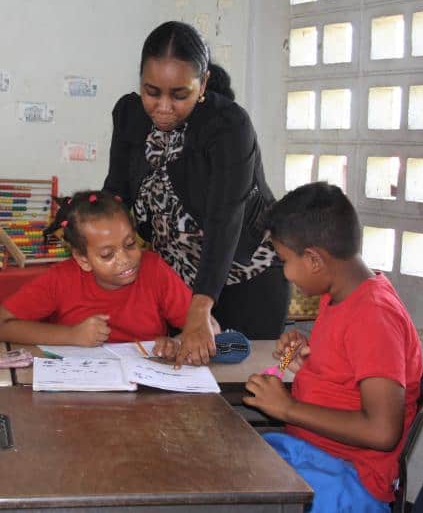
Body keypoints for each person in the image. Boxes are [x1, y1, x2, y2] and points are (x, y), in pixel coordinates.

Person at [103, 20, 288, 367]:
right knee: (181, 379)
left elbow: (225, 218)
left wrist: (201, 306)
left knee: (239, 384)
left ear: (202, 84)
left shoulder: (227, 127)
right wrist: (91, 223)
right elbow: (117, 193)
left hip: (245, 276)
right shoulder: (129, 115)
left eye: (179, 94)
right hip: (180, 283)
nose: (163, 107)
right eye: (152, 91)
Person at [243, 182, 423, 512]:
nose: (285, 272)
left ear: (314, 259)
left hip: (348, 477)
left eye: (284, 260)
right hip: (310, 451)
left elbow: (383, 430)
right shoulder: (340, 295)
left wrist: (287, 409)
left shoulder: (374, 315)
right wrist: (306, 352)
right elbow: (348, 364)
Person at [0, 190, 209, 359]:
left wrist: (177, 342)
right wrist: (72, 336)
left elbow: (210, 326)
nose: (124, 259)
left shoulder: (154, 269)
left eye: (130, 244)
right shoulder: (60, 279)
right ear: (83, 260)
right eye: (107, 254)